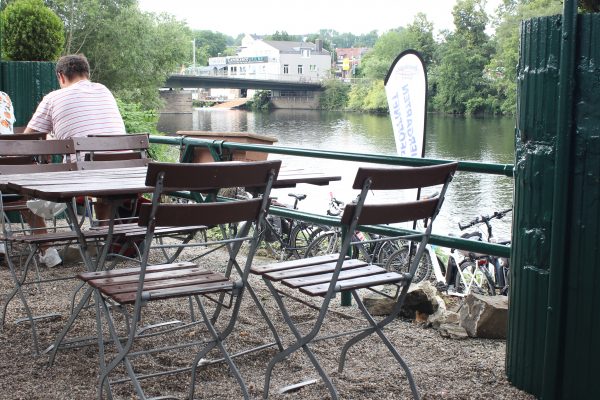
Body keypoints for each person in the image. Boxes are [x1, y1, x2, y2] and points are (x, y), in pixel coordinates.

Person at [23, 54, 127, 267]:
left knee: (26, 181)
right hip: (122, 172)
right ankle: (102, 241)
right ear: (88, 74)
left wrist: (51, 139)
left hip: (81, 174)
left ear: (61, 76)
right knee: (102, 188)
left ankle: (47, 250)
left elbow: (27, 139)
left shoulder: (53, 98)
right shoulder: (105, 91)